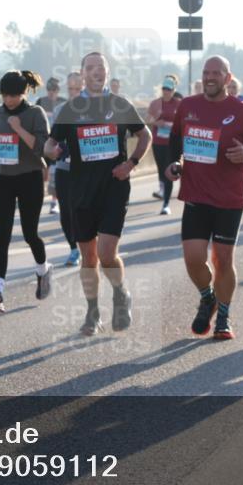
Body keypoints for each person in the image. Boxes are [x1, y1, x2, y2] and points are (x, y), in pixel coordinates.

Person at [44, 52, 151, 335]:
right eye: (90, 68)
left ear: (107, 72)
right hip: (80, 191)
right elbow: (50, 144)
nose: (96, 72)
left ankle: (120, 292)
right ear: (81, 74)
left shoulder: (120, 104)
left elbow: (145, 135)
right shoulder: (71, 108)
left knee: (106, 253)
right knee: (88, 257)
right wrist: (51, 151)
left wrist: (131, 164)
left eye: (101, 68)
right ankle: (92, 312)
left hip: (114, 188)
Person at [165, 56, 243, 339]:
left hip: (229, 198)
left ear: (227, 77)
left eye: (216, 73)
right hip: (196, 195)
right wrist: (174, 163)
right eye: (206, 72)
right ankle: (207, 296)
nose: (210, 77)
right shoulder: (188, 106)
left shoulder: (242, 111)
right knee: (193, 258)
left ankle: (223, 316)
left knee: (222, 260)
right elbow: (176, 139)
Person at [0, 71, 54, 312]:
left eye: (12, 95)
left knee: (30, 233)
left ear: (23, 94)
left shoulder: (35, 114)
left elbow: (43, 148)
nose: (8, 100)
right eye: (4, 95)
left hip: (29, 178)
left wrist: (19, 129)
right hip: (2, 178)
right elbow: (1, 140)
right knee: (1, 236)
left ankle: (43, 270)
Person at [52, 72, 83, 266]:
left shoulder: (93, 109)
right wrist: (53, 149)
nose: (73, 93)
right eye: (70, 89)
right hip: (64, 167)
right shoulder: (59, 110)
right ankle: (73, 249)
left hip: (88, 169)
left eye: (77, 89)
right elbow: (52, 138)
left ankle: (90, 245)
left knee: (85, 209)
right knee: (66, 211)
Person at [145, 74, 182, 215]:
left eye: (169, 89)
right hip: (158, 142)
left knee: (169, 171)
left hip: (172, 144)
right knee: (161, 169)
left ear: (173, 90)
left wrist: (172, 126)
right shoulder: (155, 103)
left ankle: (166, 204)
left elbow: (183, 122)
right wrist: (157, 122)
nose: (166, 91)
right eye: (164, 88)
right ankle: (163, 192)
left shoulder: (178, 104)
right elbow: (147, 119)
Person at [36, 77, 66, 214]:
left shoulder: (63, 103)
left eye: (54, 90)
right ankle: (39, 197)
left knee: (54, 174)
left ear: (58, 91)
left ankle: (54, 202)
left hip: (57, 142)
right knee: (44, 174)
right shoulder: (40, 102)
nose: (51, 93)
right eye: (49, 90)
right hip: (43, 142)